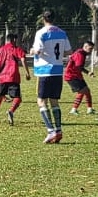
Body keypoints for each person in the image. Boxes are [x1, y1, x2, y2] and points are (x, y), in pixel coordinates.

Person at [31, 10, 71, 144]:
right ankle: (58, 130)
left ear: (43, 19)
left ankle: (50, 131)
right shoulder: (62, 33)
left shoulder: (41, 33)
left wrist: (32, 51)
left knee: (41, 101)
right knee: (54, 101)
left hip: (44, 71)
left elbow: (38, 50)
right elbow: (68, 51)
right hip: (58, 71)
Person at [0, 34, 30, 125]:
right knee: (18, 98)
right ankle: (11, 111)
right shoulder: (16, 49)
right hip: (13, 77)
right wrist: (27, 73)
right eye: (15, 40)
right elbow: (23, 59)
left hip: (1, 78)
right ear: (13, 40)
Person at [65, 41, 96, 115]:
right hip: (72, 76)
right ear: (85, 46)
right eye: (90, 48)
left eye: (92, 49)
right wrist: (88, 72)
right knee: (82, 91)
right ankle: (73, 110)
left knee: (87, 91)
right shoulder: (80, 54)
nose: (91, 50)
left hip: (77, 75)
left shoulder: (82, 53)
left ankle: (90, 109)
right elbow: (79, 66)